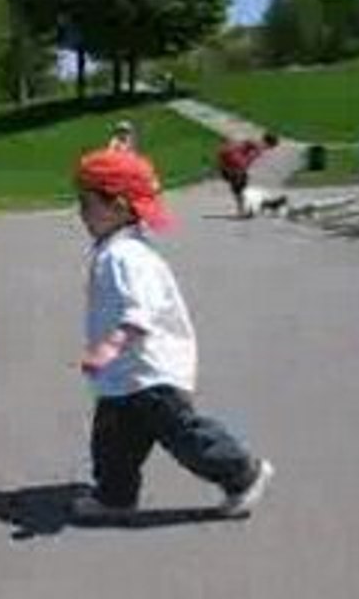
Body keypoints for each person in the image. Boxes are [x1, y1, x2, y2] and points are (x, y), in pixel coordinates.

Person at [72, 148, 274, 519]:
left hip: (149, 370)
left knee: (183, 435)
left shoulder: (126, 256)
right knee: (112, 442)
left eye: (86, 203)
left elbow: (141, 310)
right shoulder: (114, 248)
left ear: (116, 205)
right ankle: (115, 496)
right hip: (125, 375)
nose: (80, 212)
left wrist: (109, 347)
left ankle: (242, 474)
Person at [217, 133, 280, 217]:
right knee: (240, 187)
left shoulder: (254, 143)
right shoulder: (259, 145)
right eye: (272, 147)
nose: (271, 149)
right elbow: (248, 155)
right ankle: (246, 209)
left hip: (232, 162)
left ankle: (244, 209)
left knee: (238, 188)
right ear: (270, 143)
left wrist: (225, 168)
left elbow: (240, 150)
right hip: (235, 164)